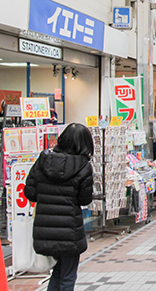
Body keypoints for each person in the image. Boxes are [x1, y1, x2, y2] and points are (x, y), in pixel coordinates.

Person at [25, 123, 94, 291]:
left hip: (46, 229)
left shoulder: (44, 160)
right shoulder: (83, 166)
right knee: (68, 275)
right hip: (70, 231)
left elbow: (30, 192)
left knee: (57, 271)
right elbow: (84, 200)